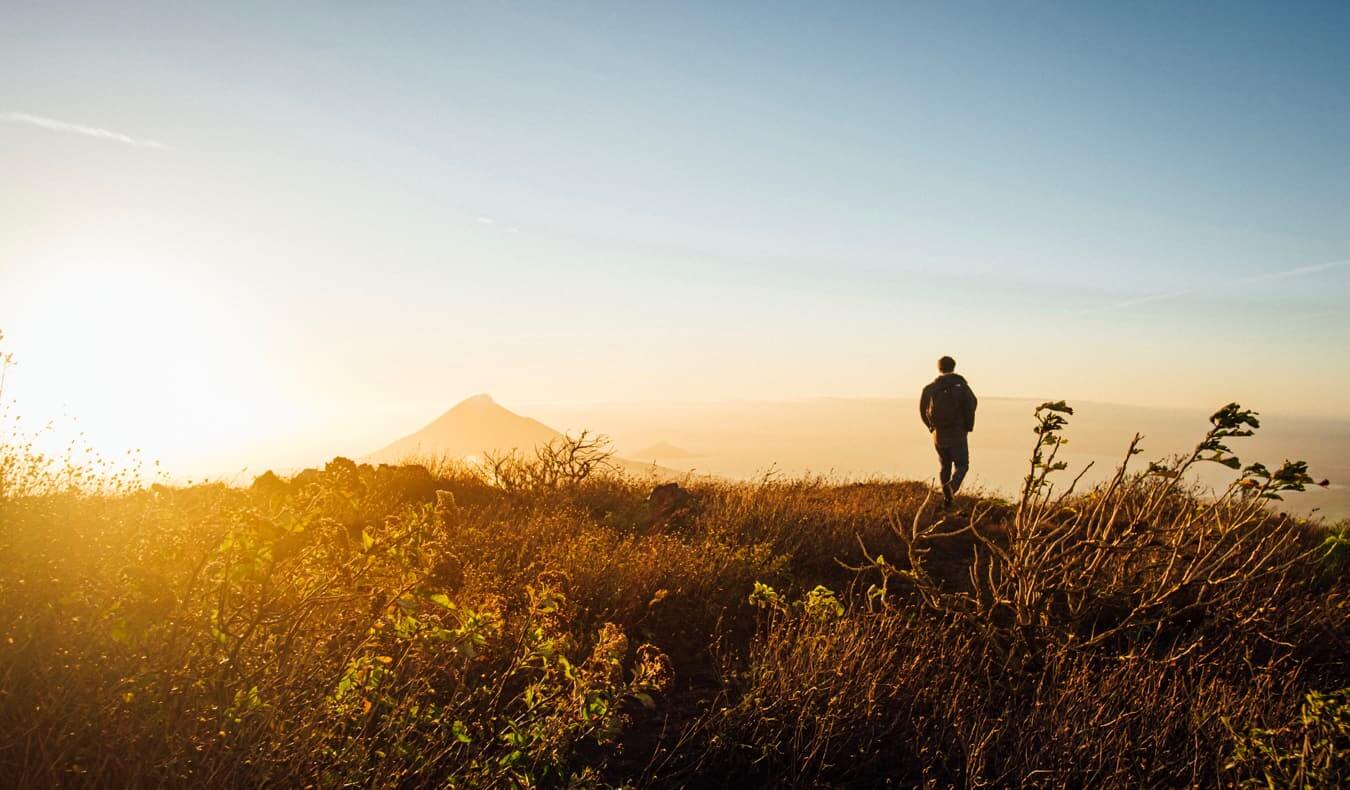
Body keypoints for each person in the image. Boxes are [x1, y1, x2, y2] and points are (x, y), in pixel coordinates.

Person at [920, 355, 978, 507]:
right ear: (954, 367)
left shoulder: (930, 388)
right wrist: (967, 426)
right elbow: (972, 405)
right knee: (962, 465)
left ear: (939, 368)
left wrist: (931, 427)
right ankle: (951, 489)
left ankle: (947, 500)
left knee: (945, 466)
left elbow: (922, 410)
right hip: (957, 433)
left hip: (938, 435)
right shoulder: (961, 386)